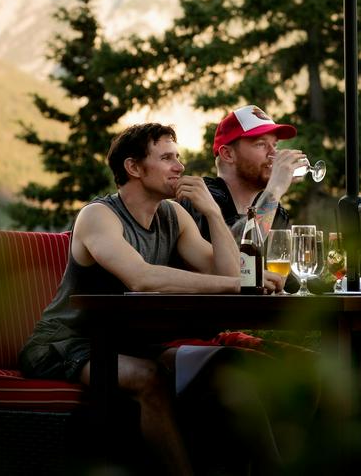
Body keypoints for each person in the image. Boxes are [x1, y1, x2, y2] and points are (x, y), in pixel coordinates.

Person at [18, 123, 282, 476]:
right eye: (167, 158)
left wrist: (212, 213)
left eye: (178, 157)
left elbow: (228, 272)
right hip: (67, 344)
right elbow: (141, 277)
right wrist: (235, 284)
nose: (180, 166)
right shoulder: (98, 216)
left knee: (228, 361)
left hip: (132, 345)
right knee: (149, 377)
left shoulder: (174, 215)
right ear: (134, 167)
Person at [183, 105, 311, 290]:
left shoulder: (275, 211)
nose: (274, 153)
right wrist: (274, 189)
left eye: (275, 145)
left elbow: (289, 283)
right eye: (261, 144)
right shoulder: (202, 196)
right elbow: (238, 261)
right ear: (228, 154)